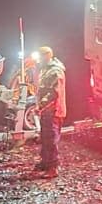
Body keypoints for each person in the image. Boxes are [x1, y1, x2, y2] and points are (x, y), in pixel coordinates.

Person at [34, 45, 66, 177]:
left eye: (40, 57)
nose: (38, 60)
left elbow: (53, 93)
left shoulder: (55, 72)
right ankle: (46, 162)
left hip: (53, 110)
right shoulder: (46, 70)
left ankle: (53, 167)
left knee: (51, 139)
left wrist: (40, 105)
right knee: (45, 137)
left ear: (47, 56)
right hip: (46, 111)